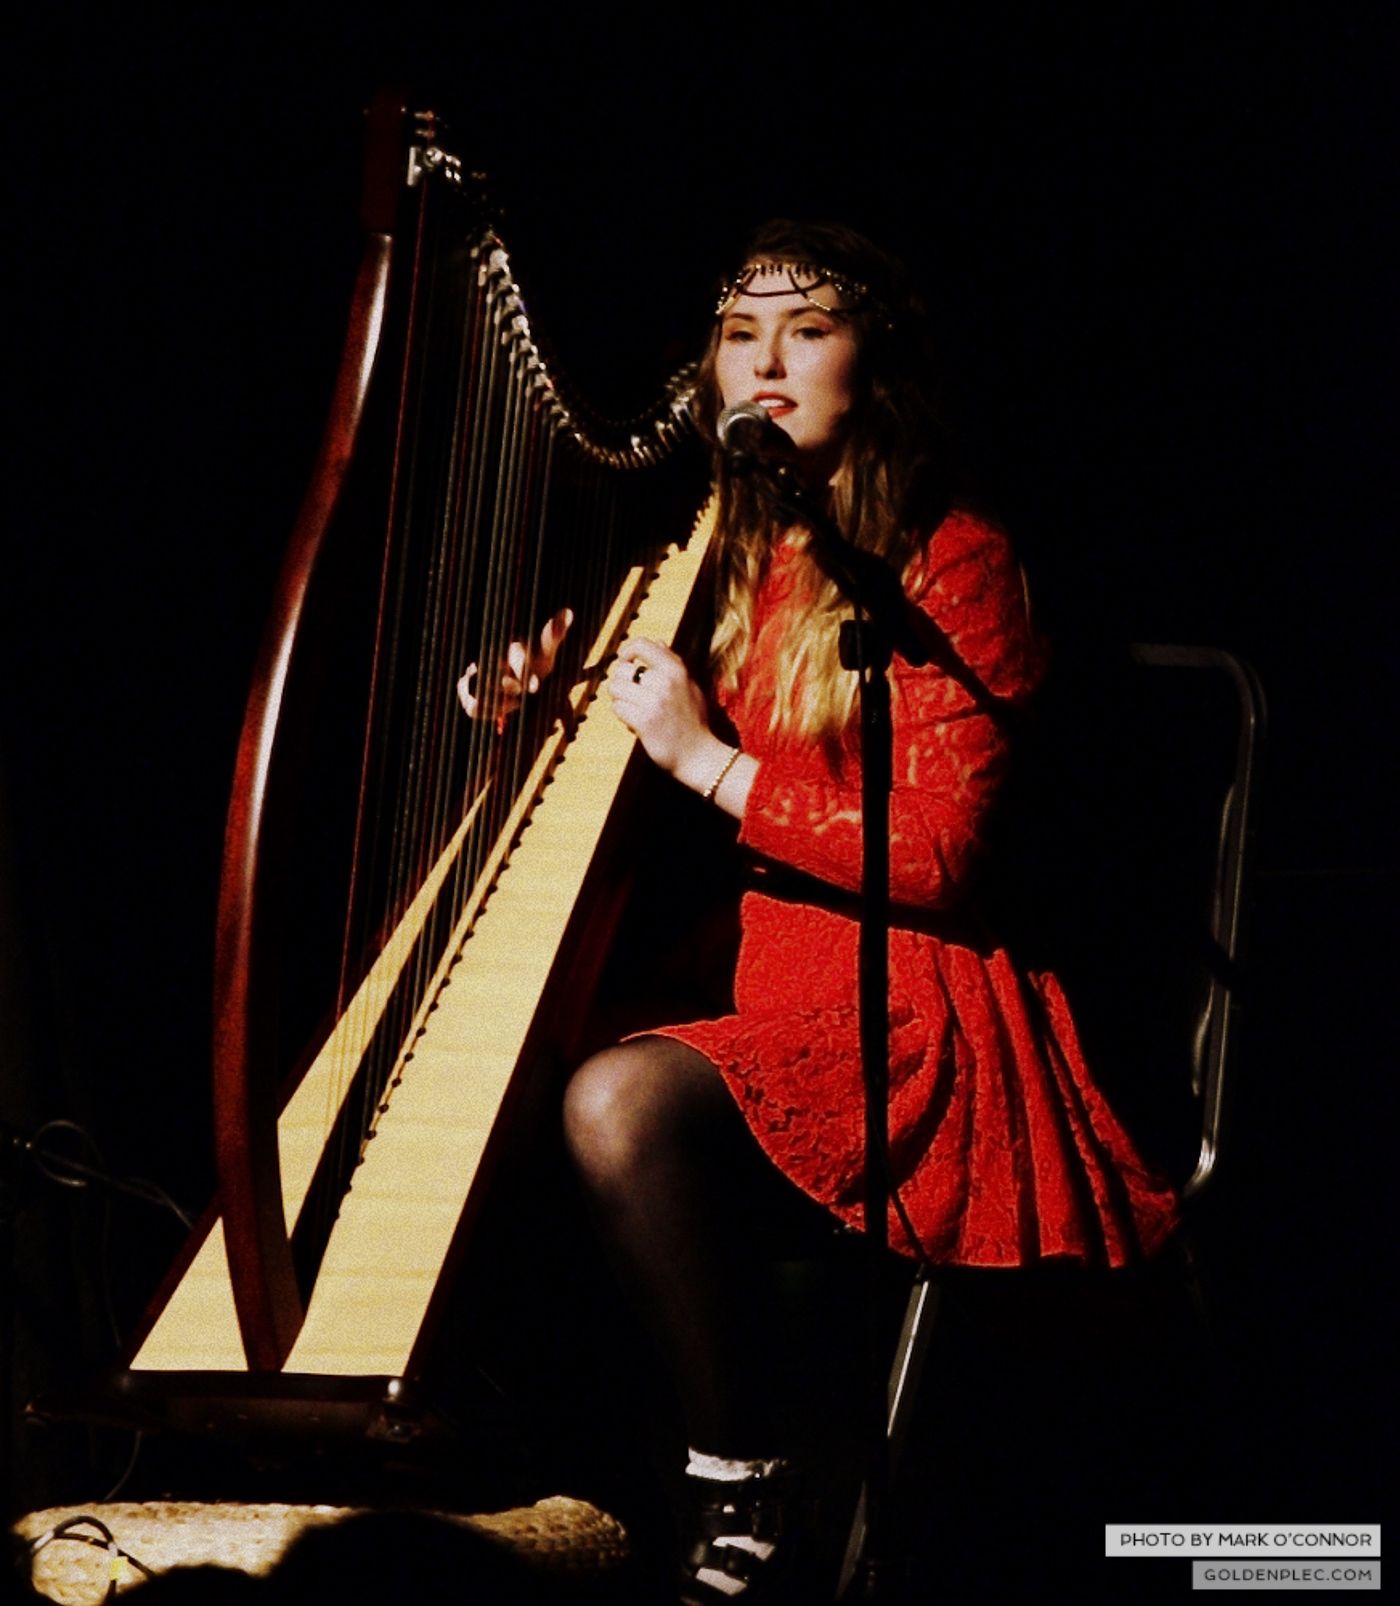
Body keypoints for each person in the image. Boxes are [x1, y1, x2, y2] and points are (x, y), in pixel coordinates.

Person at [463, 220, 1179, 1604]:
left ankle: (741, 1475)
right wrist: (534, 708)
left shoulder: (955, 558)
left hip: (922, 1006)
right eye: (743, 332)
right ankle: (536, 1459)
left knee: (616, 1104)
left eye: (811, 328)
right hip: (767, 978)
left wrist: (704, 758)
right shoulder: (729, 560)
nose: (770, 360)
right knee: (515, 1078)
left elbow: (943, 856)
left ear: (875, 368)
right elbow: (640, 739)